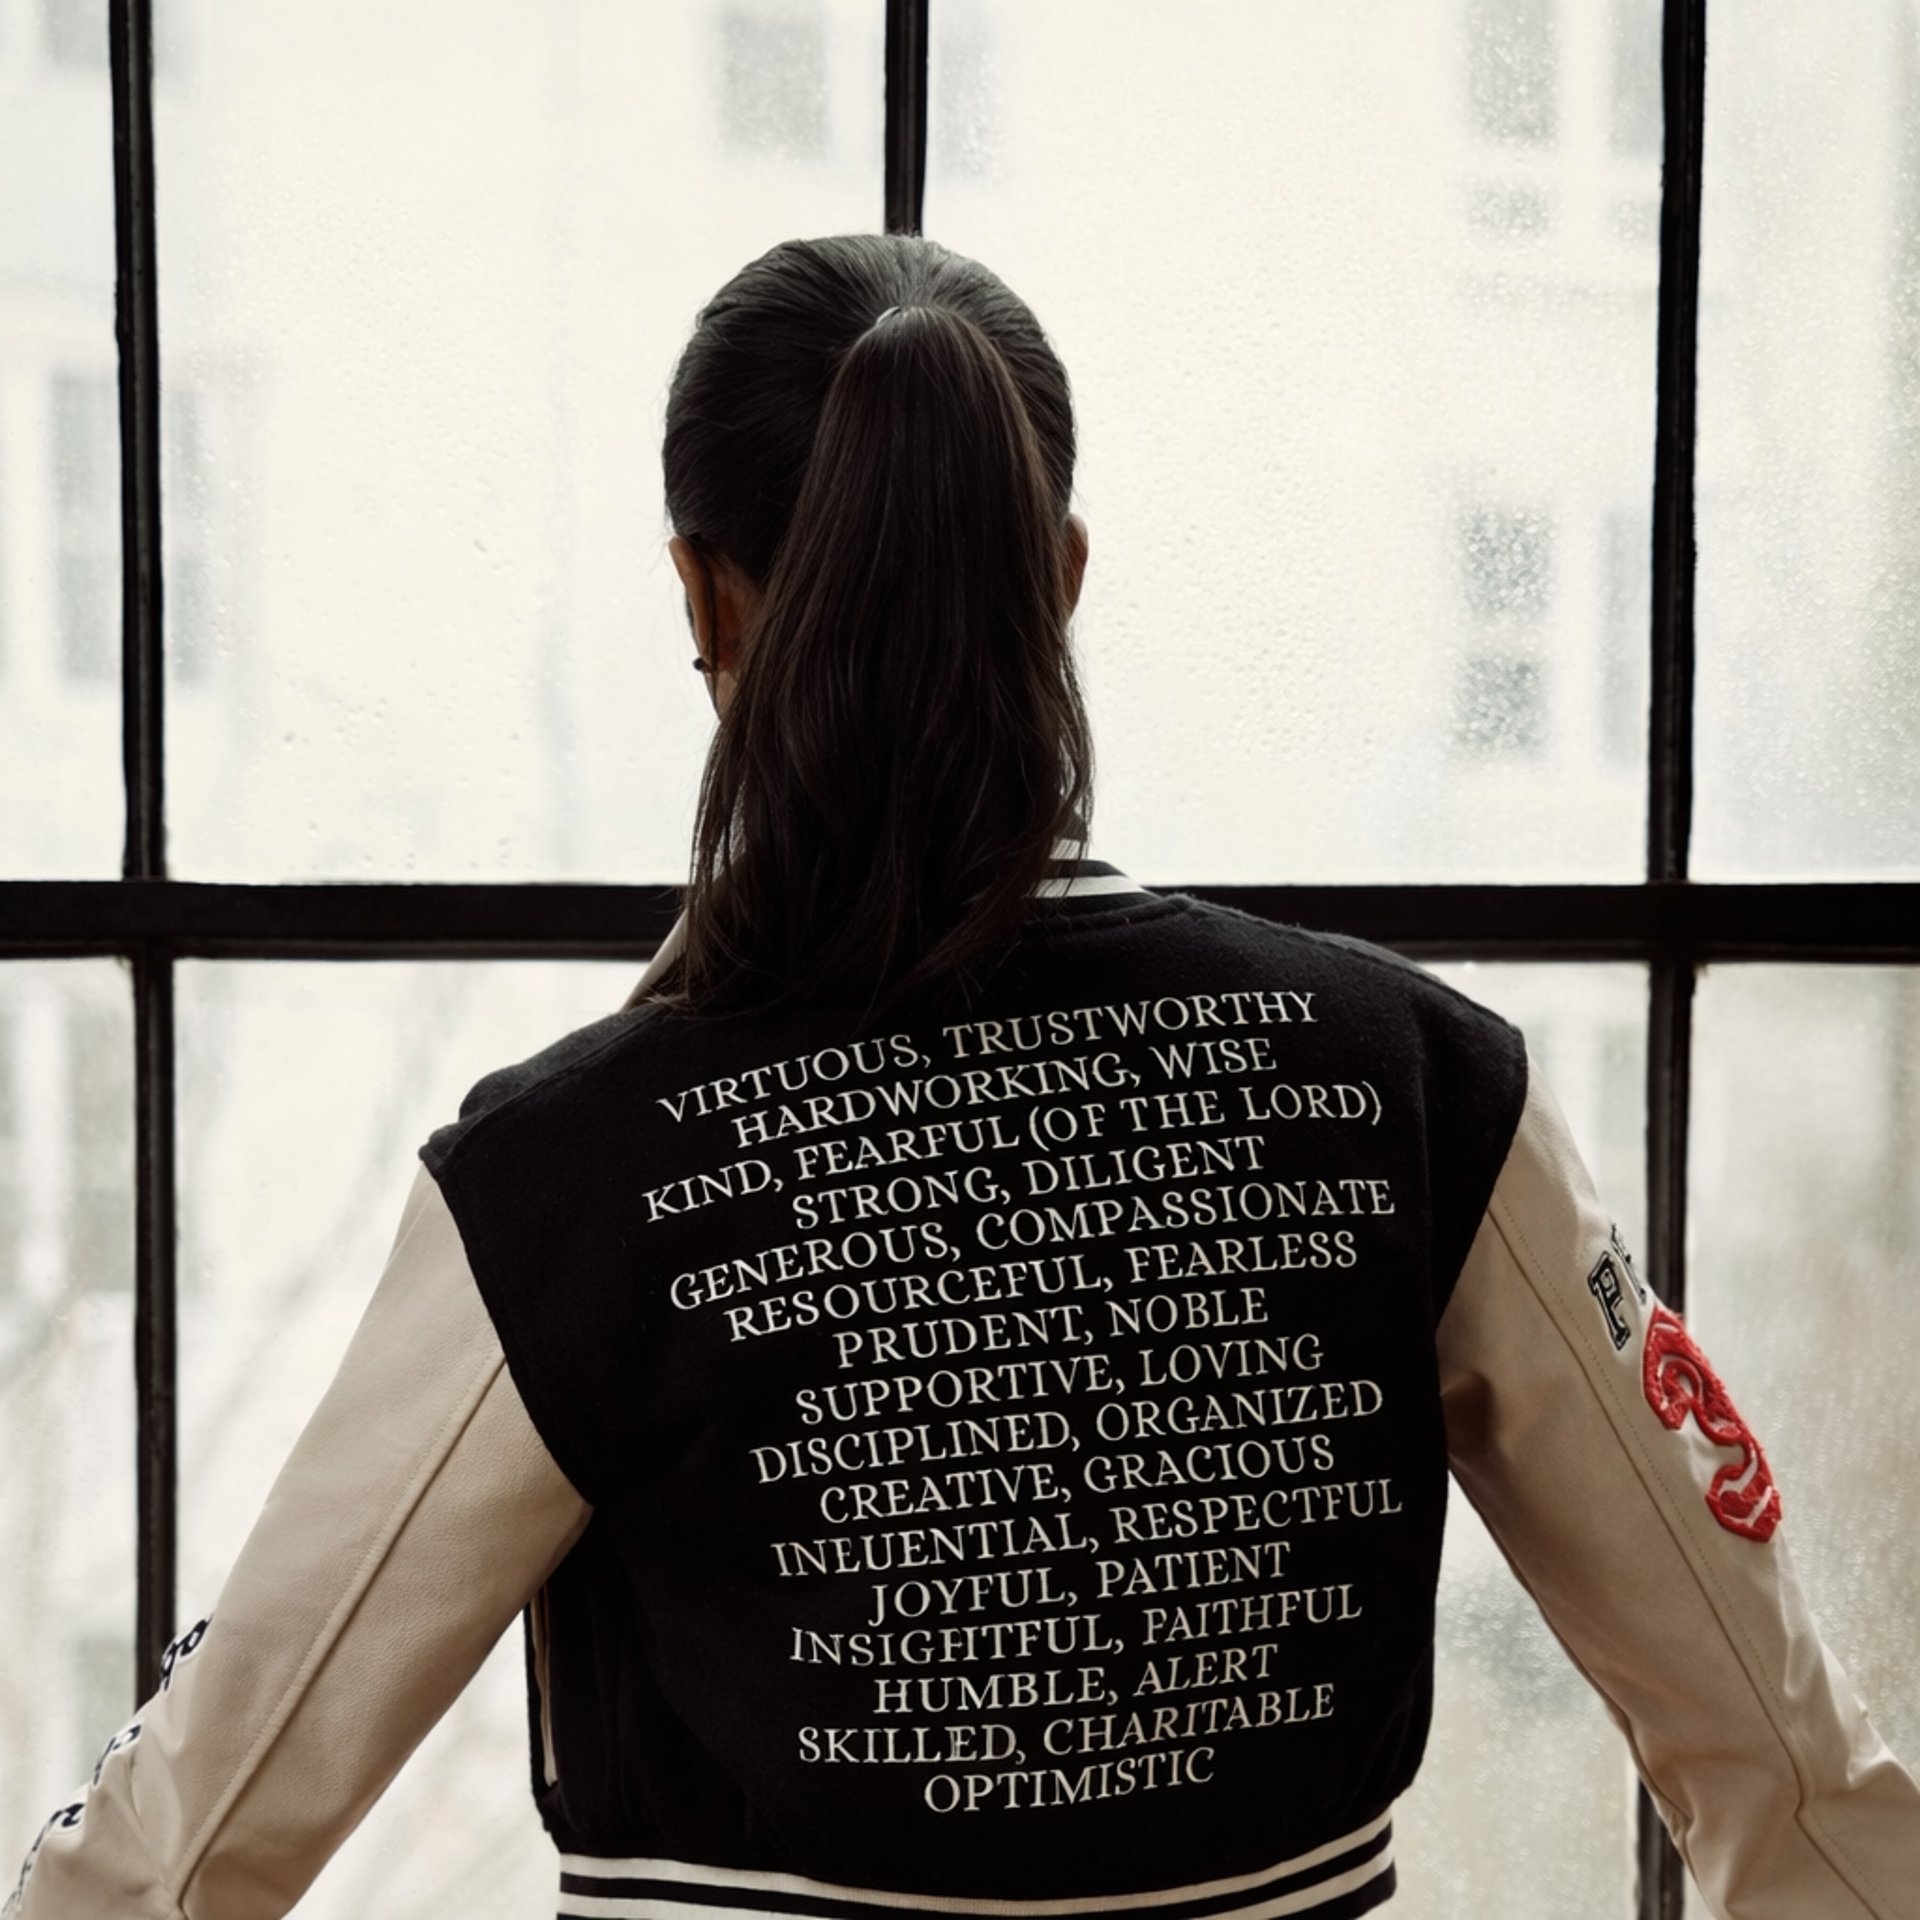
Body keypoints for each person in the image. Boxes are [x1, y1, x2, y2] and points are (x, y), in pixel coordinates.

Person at [8, 232, 1918, 1920]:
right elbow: (1789, 1776)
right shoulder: (1419, 1085)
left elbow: (179, 1851)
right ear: (1062, 575)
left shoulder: (568, 1180)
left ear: (704, 603)